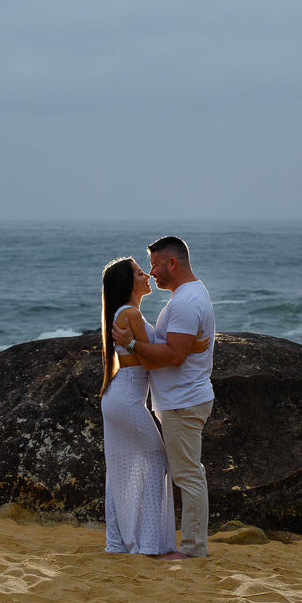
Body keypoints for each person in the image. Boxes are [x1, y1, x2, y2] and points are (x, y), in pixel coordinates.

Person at [112, 236, 216, 560]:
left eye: (155, 265)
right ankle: (181, 543)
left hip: (183, 402)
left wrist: (132, 345)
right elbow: (173, 348)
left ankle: (193, 549)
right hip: (180, 399)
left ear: (172, 263)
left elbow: (173, 355)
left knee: (187, 475)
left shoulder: (185, 302)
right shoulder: (188, 296)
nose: (152, 272)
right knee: (187, 472)